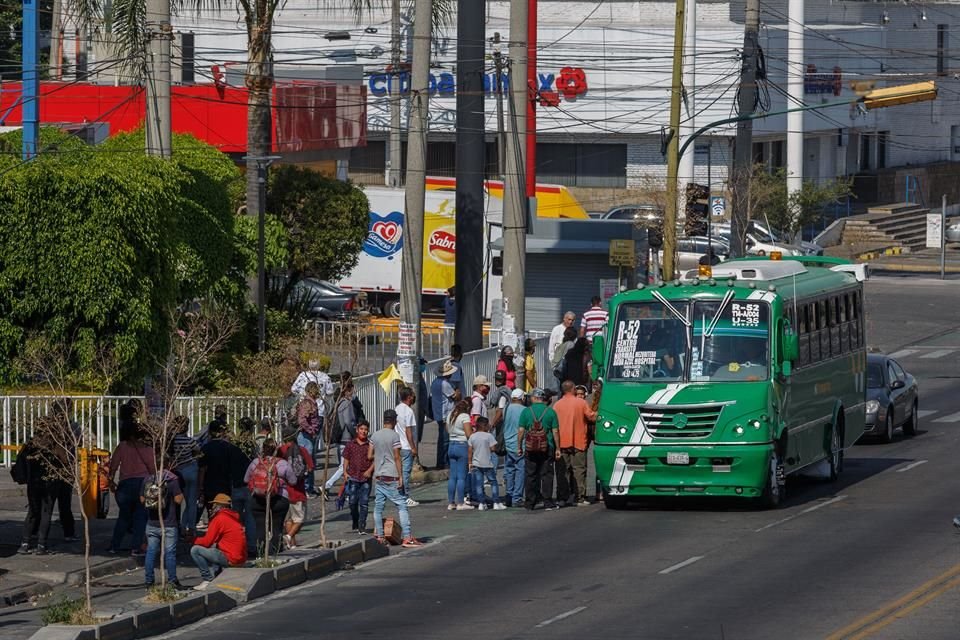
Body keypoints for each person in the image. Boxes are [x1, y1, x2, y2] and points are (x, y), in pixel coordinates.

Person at [198, 420, 256, 555]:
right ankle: (224, 543)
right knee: (227, 516)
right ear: (223, 431)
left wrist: (199, 488)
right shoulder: (230, 448)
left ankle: (214, 542)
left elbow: (202, 470)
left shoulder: (206, 448)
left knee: (212, 514)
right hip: (226, 486)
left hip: (210, 486)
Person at [370, 410, 422, 547]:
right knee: (402, 506)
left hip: (379, 475)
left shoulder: (375, 435)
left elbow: (369, 455)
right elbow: (397, 457)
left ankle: (380, 537)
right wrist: (400, 477)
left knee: (378, 507)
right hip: (391, 475)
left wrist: (379, 456)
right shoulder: (394, 436)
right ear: (393, 421)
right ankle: (407, 537)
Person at [106, 424, 155, 556]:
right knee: (141, 517)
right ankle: (136, 547)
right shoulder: (148, 450)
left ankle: (114, 546)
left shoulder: (122, 446)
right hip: (143, 484)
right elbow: (152, 470)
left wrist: (111, 481)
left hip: (125, 485)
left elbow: (113, 465)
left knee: (124, 517)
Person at [244, 438, 297, 555]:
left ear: (263, 449)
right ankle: (275, 553)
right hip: (279, 499)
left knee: (260, 528)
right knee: (277, 527)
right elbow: (293, 481)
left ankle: (261, 553)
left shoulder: (255, 463)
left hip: (258, 499)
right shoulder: (283, 464)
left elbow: (246, 479)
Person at [141, 461, 185, 589]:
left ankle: (149, 581)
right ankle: (172, 580)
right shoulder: (171, 480)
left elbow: (142, 500)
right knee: (170, 553)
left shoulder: (148, 479)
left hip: (151, 523)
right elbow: (178, 499)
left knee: (151, 552)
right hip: (169, 523)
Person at [553, 381, 597, 507]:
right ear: (572, 389)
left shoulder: (557, 405)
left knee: (562, 471)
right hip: (578, 441)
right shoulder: (581, 403)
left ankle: (562, 497)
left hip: (562, 442)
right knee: (579, 470)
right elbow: (591, 417)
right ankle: (579, 497)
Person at [191, 493, 248, 591]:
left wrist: (193, 540)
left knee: (195, 550)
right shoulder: (234, 517)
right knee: (215, 547)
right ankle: (218, 576)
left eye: (213, 505)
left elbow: (207, 542)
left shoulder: (219, 518)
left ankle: (207, 579)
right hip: (241, 558)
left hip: (231, 558)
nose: (212, 507)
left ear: (218, 506)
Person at [518, 388, 561, 510]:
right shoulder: (550, 412)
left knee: (530, 474)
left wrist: (519, 446)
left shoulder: (526, 412)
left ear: (533, 398)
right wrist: (558, 448)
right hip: (547, 446)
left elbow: (521, 431)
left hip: (530, 448)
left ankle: (530, 502)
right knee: (547, 474)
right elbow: (555, 431)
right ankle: (548, 501)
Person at [17, 435, 58, 555]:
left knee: (32, 512)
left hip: (33, 482)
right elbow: (65, 461)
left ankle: (25, 543)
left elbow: (21, 460)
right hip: (49, 483)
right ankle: (41, 544)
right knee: (46, 513)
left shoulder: (30, 444)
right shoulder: (54, 444)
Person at [278, 426, 314, 549]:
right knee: (299, 519)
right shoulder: (301, 449)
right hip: (298, 490)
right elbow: (310, 467)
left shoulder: (280, 450)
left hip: (283, 491)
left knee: (288, 519)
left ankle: (292, 544)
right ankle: (288, 537)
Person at [322, 382, 358, 498]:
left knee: (345, 466)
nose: (353, 392)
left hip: (339, 438)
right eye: (352, 390)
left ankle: (347, 491)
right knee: (344, 466)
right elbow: (348, 421)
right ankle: (326, 486)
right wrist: (355, 434)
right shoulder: (347, 404)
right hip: (346, 438)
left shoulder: (337, 403)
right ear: (348, 390)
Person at [169, 415, 201, 539]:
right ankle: (190, 528)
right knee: (191, 502)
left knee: (176, 501)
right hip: (191, 470)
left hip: (177, 471)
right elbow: (198, 451)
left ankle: (179, 527)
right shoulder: (190, 441)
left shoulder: (172, 442)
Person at [342, 420, 374, 534]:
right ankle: (355, 520)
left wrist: (370, 471)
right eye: (361, 429)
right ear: (357, 430)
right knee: (352, 502)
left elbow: (375, 459)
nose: (363, 432)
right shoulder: (351, 444)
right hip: (353, 476)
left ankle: (362, 525)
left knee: (364, 502)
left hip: (365, 477)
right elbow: (346, 459)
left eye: (366, 430)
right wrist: (345, 472)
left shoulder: (370, 445)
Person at [468, 417, 505, 511]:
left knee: (479, 484)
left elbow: (470, 451)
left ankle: (481, 503)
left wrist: (470, 462)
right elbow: (493, 449)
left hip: (476, 463)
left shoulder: (473, 436)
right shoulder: (489, 436)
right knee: (493, 482)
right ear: (484, 426)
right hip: (487, 463)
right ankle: (496, 502)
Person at [445, 400, 473, 510]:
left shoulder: (450, 415)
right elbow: (468, 434)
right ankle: (461, 502)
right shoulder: (464, 416)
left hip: (451, 445)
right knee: (461, 476)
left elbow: (447, 429)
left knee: (453, 476)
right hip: (462, 445)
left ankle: (451, 502)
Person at [430, 361, 459, 470]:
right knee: (446, 440)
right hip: (445, 414)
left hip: (438, 413)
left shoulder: (435, 382)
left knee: (442, 439)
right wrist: (457, 391)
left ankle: (441, 462)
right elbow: (454, 396)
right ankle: (443, 462)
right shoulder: (445, 384)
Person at [295, 382, 322, 496]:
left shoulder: (311, 403)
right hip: (306, 436)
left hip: (309, 436)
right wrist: (311, 430)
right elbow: (302, 420)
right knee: (307, 462)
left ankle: (309, 487)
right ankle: (306, 488)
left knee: (311, 462)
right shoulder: (307, 403)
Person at [502, 389, 527, 507]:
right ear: (522, 398)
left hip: (508, 444)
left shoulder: (506, 408)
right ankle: (517, 498)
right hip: (519, 444)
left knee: (509, 471)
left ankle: (509, 495)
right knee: (520, 471)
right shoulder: (524, 410)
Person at [394, 387, 419, 506]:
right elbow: (409, 432)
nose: (414, 397)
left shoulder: (397, 409)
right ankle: (405, 496)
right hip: (406, 446)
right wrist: (413, 447)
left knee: (399, 472)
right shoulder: (409, 411)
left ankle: (400, 495)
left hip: (398, 445)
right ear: (409, 397)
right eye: (413, 395)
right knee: (405, 473)